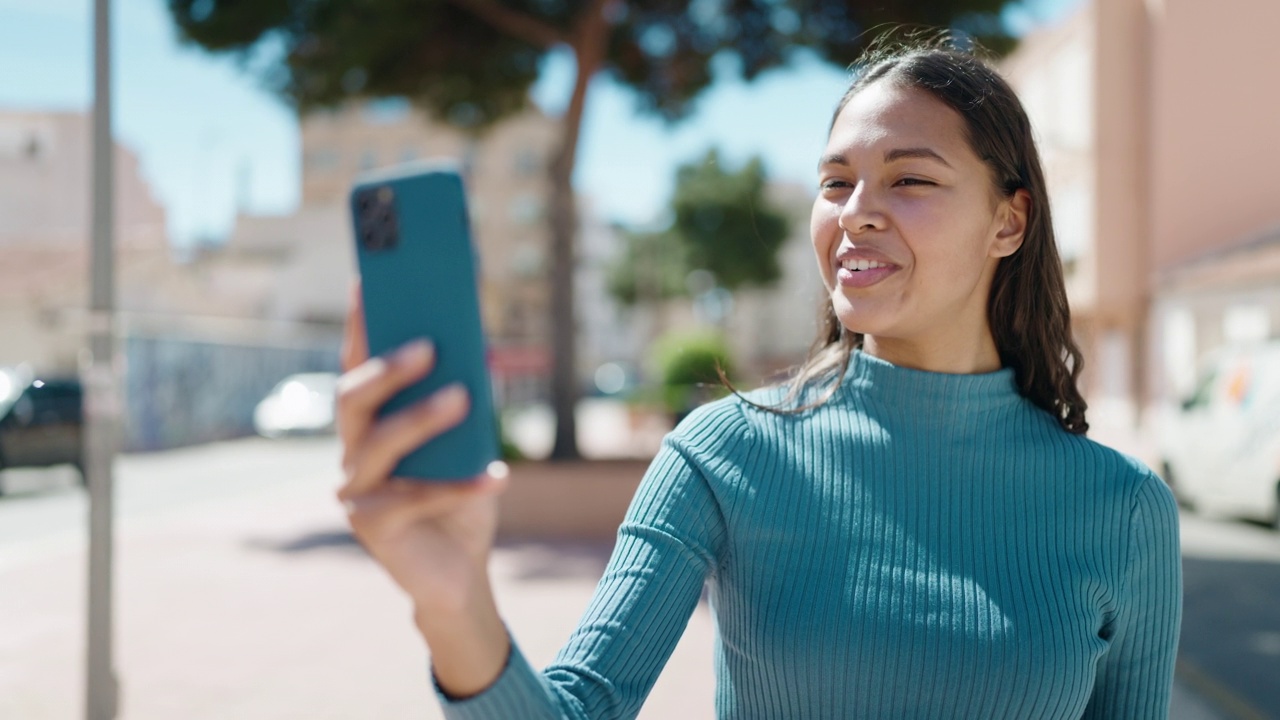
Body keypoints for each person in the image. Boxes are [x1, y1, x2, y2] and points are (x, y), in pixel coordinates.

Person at [335, 39, 1182, 719]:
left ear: (1010, 219)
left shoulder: (1124, 508)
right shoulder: (724, 451)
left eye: (911, 178)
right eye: (836, 182)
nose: (856, 212)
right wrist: (454, 607)